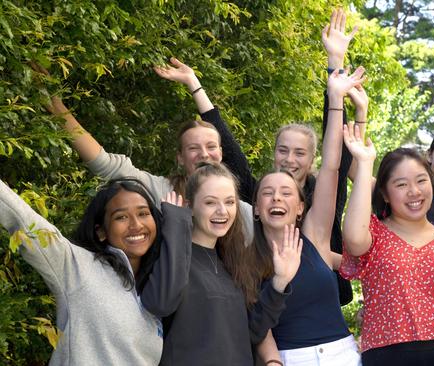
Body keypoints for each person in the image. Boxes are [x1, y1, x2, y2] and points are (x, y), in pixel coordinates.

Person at [152, 8, 362, 305]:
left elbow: (334, 148)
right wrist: (194, 85)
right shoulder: (261, 197)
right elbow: (229, 150)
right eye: (283, 150)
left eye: (299, 153)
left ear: (313, 158)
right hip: (270, 299)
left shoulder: (325, 194)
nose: (289, 159)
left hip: (318, 300)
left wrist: (335, 65)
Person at [34, 63, 254, 241]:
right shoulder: (161, 191)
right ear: (180, 157)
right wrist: (56, 107)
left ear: (221, 153)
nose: (204, 154)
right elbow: (105, 164)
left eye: (211, 147)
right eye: (193, 148)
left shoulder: (240, 209)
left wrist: (193, 83)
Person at [0, 177, 191, 365]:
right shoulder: (77, 266)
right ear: (101, 231)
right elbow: (24, 220)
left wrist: (177, 223)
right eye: (121, 217)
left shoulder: (156, 289)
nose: (136, 225)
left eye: (143, 213)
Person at [251, 67, 364, 366]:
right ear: (255, 207)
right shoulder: (246, 252)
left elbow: (330, 164)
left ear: (301, 207)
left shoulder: (315, 234)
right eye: (268, 193)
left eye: (287, 193)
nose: (277, 197)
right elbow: (257, 324)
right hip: (289, 359)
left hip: (342, 355)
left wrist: (336, 98)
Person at [139, 163, 301, 365]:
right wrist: (175, 226)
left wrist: (280, 282)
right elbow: (160, 303)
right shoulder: (172, 254)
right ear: (189, 207)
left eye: (230, 202)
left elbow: (250, 334)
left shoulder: (232, 263)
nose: (222, 211)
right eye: (210, 203)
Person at [341, 123, 434, 365]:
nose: (414, 191)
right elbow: (353, 240)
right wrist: (364, 163)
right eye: (401, 185)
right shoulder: (374, 234)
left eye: (421, 181)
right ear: (384, 193)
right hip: (386, 354)